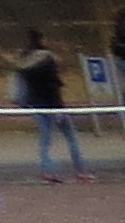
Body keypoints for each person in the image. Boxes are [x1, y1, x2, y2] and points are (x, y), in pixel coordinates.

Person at [9, 29, 83, 183]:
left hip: (36, 104)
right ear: (42, 40)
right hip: (53, 104)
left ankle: (47, 171)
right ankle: (80, 171)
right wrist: (58, 108)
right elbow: (52, 86)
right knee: (71, 138)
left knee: (45, 141)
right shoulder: (47, 60)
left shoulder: (24, 62)